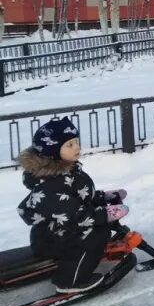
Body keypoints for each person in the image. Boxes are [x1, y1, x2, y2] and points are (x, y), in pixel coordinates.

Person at [17, 117, 129, 293]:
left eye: (76, 141)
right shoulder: (50, 186)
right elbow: (75, 215)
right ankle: (70, 281)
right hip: (50, 239)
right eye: (69, 145)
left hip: (61, 229)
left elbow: (78, 197)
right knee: (94, 236)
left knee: (99, 230)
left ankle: (85, 258)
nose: (77, 147)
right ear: (53, 151)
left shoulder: (67, 169)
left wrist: (103, 198)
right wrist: (104, 215)